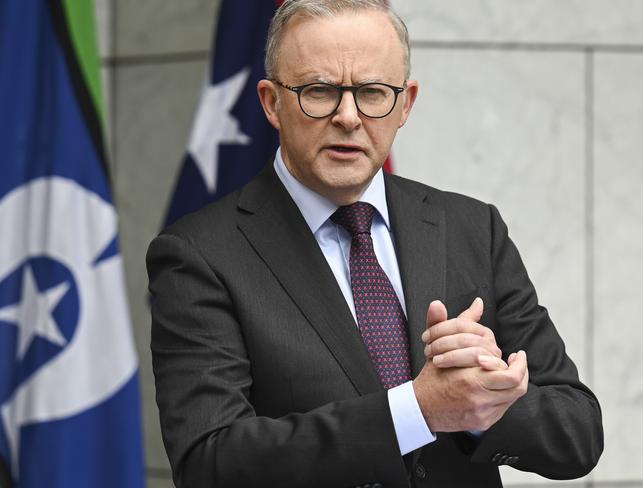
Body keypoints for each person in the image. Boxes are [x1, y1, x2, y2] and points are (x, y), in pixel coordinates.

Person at [147, 1, 604, 487]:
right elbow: (209, 464)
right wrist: (418, 410)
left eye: (372, 92)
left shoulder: (472, 227)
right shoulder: (198, 253)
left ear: (405, 103)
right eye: (319, 91)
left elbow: (577, 434)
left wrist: (483, 401)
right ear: (271, 103)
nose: (348, 116)